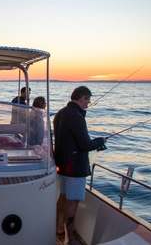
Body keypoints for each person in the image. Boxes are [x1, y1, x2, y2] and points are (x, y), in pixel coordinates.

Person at [54, 86, 107, 244]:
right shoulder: (76, 116)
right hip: (74, 167)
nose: (88, 103)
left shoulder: (60, 113)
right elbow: (84, 144)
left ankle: (58, 229)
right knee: (73, 200)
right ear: (80, 98)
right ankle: (71, 237)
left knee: (63, 197)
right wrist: (100, 141)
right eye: (87, 99)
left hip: (62, 164)